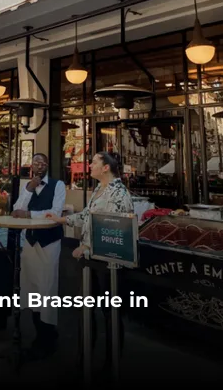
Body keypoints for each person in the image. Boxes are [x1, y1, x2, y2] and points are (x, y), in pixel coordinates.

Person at [47, 152, 133, 368]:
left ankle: (111, 363)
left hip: (108, 262)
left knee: (110, 312)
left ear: (106, 168)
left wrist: (86, 245)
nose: (89, 165)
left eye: (94, 162)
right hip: (90, 260)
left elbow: (113, 226)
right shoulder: (99, 189)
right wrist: (62, 220)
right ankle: (85, 355)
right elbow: (87, 215)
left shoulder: (119, 192)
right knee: (86, 309)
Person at [11, 153, 66, 358]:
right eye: (35, 162)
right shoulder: (27, 185)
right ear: (31, 166)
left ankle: (50, 335)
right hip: (30, 240)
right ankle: (38, 334)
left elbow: (55, 212)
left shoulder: (57, 185)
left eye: (43, 162)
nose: (39, 165)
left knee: (47, 286)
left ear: (47, 165)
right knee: (31, 285)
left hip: (49, 241)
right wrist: (28, 190)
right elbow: (17, 209)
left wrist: (30, 215)